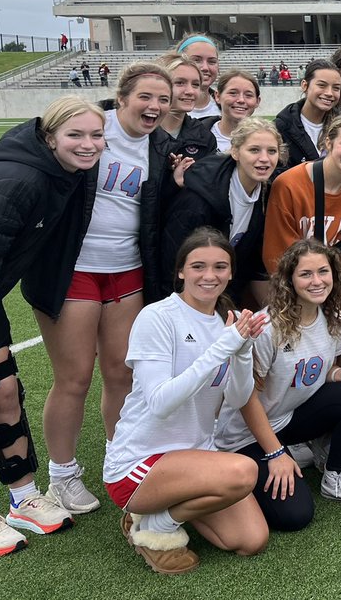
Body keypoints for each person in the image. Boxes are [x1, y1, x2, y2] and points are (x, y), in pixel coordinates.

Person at [35, 63, 178, 515]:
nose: (153, 107)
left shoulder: (162, 147)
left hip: (128, 271)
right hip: (74, 269)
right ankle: (62, 475)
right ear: (121, 98)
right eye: (145, 98)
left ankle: (122, 461)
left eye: (162, 100)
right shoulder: (91, 130)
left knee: (123, 373)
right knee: (74, 378)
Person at [102, 228, 269, 574]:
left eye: (220, 267)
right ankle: (152, 524)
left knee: (251, 540)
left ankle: (161, 515)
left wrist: (243, 349)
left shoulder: (228, 322)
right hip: (138, 465)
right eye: (198, 266)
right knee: (243, 471)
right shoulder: (158, 317)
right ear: (180, 271)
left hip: (195, 458)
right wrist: (224, 345)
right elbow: (161, 402)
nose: (210, 276)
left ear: (231, 273)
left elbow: (237, 397)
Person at [0, 98, 104, 555]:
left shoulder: (65, 176)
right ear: (50, 137)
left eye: (96, 135)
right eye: (75, 135)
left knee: (7, 394)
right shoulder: (18, 180)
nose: (88, 145)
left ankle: (22, 499)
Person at [216, 241, 341, 530]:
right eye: (306, 274)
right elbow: (246, 399)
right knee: (295, 516)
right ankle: (251, 466)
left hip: (289, 418)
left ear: (334, 275)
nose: (316, 281)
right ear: (289, 280)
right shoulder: (267, 327)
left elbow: (328, 369)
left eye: (323, 272)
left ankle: (336, 477)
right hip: (247, 432)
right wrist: (275, 453)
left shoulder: (334, 316)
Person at [160, 117, 282, 309]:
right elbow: (172, 260)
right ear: (235, 152)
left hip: (222, 295)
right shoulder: (199, 197)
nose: (265, 159)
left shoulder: (268, 194)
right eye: (254, 150)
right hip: (182, 298)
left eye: (272, 151)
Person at [263, 112, 341, 288]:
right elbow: (276, 251)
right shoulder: (288, 184)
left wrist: (333, 289)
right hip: (289, 282)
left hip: (330, 283)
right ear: (329, 142)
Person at [274, 60, 341, 173]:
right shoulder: (280, 127)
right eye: (322, 85)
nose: (329, 93)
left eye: (336, 88)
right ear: (305, 85)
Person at [158, 54, 217, 171]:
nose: (190, 91)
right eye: (180, 83)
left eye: (195, 84)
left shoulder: (205, 137)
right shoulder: (141, 131)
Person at [202, 68, 261, 154]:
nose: (241, 100)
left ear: (257, 101)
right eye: (233, 93)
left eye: (248, 95)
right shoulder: (197, 135)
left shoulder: (268, 140)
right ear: (217, 96)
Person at [176, 35, 222, 121]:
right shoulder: (163, 108)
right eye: (196, 60)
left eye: (212, 61)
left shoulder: (226, 106)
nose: (205, 67)